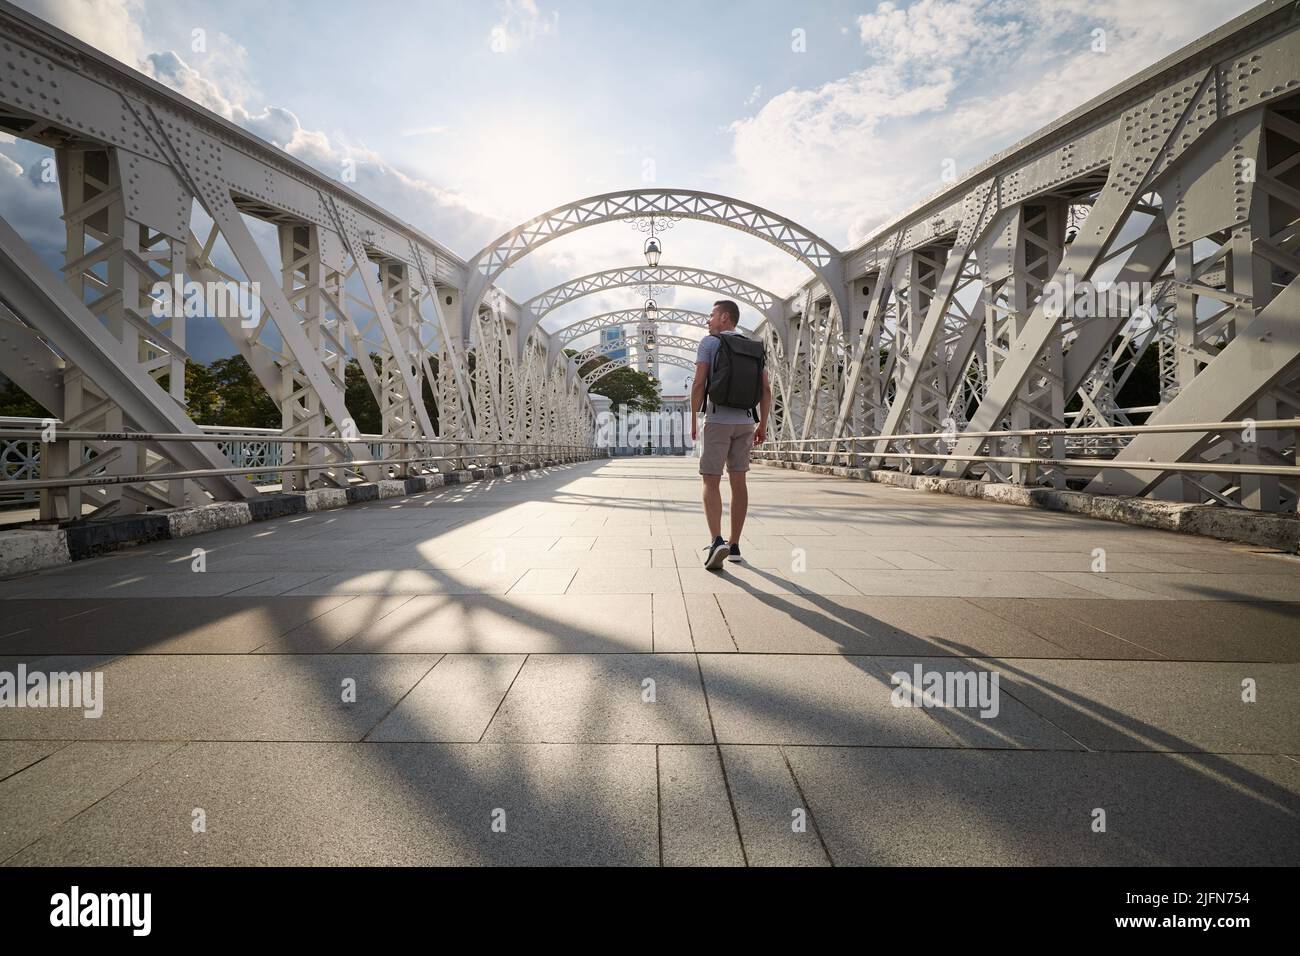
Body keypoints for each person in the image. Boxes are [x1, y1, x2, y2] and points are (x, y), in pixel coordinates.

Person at [690, 299, 772, 570]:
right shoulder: (753, 347)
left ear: (725, 318)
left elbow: (699, 383)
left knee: (710, 481)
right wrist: (763, 425)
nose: (708, 320)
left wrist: (694, 418)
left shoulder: (710, 343)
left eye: (711, 315)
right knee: (739, 482)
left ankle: (716, 541)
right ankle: (735, 545)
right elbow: (766, 390)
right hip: (746, 422)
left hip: (717, 420)